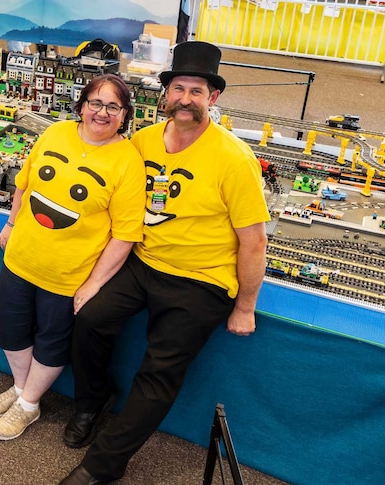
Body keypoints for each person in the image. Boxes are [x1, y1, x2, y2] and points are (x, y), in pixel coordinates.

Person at [60, 41, 271, 484]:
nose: (186, 99)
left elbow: (253, 242)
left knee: (159, 373)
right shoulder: (142, 141)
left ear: (213, 98)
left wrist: (245, 306)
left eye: (197, 91)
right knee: (89, 319)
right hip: (144, 261)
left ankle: (103, 467)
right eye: (179, 89)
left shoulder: (234, 159)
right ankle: (92, 401)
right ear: (166, 94)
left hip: (201, 279)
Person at [0, 74, 146, 441]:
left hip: (68, 273)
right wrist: (10, 224)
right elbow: (24, 183)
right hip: (21, 258)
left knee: (52, 340)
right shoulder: (55, 133)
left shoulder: (127, 162)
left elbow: (125, 236)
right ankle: (22, 389)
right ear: (82, 105)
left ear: (125, 115)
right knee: (9, 325)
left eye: (113, 106)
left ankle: (28, 405)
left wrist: (93, 283)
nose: (102, 113)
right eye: (95, 103)